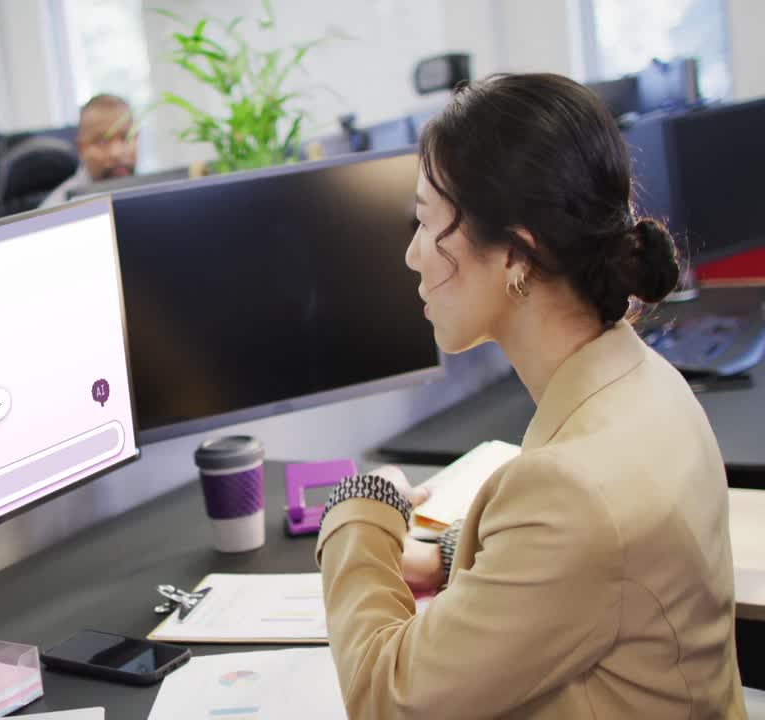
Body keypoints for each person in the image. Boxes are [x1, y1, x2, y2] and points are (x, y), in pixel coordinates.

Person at [316, 73, 746, 719]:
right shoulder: (647, 380)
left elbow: (385, 697)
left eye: (427, 223)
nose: (411, 256)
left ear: (517, 254)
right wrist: (451, 554)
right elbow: (603, 570)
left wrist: (359, 514)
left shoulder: (572, 492)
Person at [40, 94, 137, 207]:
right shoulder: (55, 210)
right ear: (81, 149)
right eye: (102, 142)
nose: (117, 152)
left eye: (125, 137)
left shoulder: (152, 192)